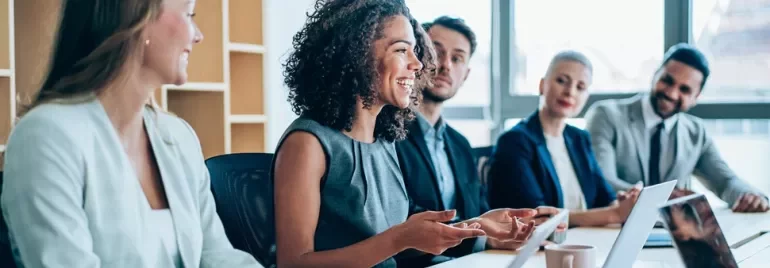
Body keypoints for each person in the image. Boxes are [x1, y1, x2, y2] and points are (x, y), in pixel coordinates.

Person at [270, 1, 538, 267]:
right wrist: (398, 239)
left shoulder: (385, 141)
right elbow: (294, 263)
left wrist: (479, 226)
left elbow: (402, 244)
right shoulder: (307, 143)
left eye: (414, 51)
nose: (418, 64)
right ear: (356, 54)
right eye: (401, 50)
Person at [1, 1, 261, 267]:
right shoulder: (46, 137)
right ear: (138, 19)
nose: (197, 35)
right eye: (188, 14)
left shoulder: (178, 137)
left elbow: (219, 256)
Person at [395, 16, 561, 266]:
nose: (446, 65)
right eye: (436, 52)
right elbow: (400, 223)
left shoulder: (460, 145)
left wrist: (509, 230)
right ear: (417, 58)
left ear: (466, 74)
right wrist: (482, 238)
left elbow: (479, 213)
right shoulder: (390, 136)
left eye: (457, 58)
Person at [584, 43, 769, 213]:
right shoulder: (606, 115)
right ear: (655, 74)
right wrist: (666, 198)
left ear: (696, 97)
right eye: (667, 81)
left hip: (674, 235)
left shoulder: (696, 132)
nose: (672, 93)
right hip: (612, 229)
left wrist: (750, 196)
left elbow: (725, 182)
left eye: (685, 90)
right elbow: (603, 180)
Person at [487, 51, 641, 227]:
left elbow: (605, 197)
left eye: (580, 87)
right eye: (562, 81)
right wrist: (614, 214)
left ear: (586, 97)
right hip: (539, 246)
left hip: (585, 240)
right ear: (542, 85)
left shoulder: (579, 138)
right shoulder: (514, 141)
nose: (570, 92)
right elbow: (538, 216)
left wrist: (624, 205)